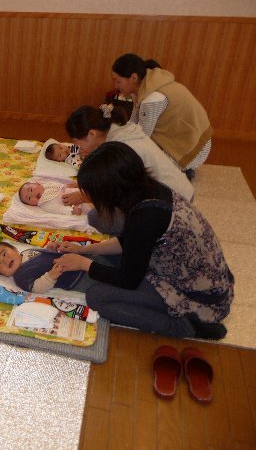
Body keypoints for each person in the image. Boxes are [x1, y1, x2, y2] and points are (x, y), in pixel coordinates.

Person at [54, 142, 234, 339]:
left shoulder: (145, 217)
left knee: (97, 297)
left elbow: (129, 279)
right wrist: (84, 251)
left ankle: (185, 326)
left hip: (200, 299)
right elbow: (128, 242)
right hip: (209, 281)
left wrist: (83, 263)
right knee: (100, 259)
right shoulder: (149, 190)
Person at [62, 104, 195, 234]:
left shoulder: (122, 146)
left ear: (91, 134)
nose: (77, 146)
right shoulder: (120, 131)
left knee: (98, 217)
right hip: (181, 191)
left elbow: (117, 191)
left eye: (75, 141)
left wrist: (85, 196)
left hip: (173, 204)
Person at [111, 53, 212, 175]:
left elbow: (142, 138)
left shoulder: (152, 99)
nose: (115, 86)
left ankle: (182, 172)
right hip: (195, 142)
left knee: (135, 171)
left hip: (193, 151)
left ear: (134, 77)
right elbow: (133, 124)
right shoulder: (146, 88)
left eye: (118, 81)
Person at [0, 242, 94, 294]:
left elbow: (42, 255)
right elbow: (36, 288)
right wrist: (50, 276)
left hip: (77, 258)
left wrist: (49, 249)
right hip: (75, 279)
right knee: (97, 281)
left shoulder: (26, 252)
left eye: (4, 253)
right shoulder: (20, 277)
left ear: (14, 249)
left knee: (98, 258)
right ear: (4, 274)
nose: (4, 260)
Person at [19, 180, 83, 215]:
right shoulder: (45, 203)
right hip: (79, 201)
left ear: (37, 183)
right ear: (32, 205)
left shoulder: (47, 185)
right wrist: (72, 211)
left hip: (79, 188)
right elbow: (59, 210)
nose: (32, 194)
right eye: (29, 198)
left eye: (31, 190)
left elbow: (62, 184)